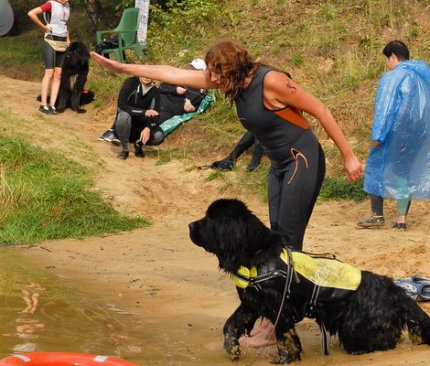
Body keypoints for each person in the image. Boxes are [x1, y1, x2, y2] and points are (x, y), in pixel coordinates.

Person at [91, 39, 361, 249]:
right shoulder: (229, 81)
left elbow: (321, 110)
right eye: (211, 72)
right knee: (276, 233)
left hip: (303, 158)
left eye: (217, 73)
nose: (213, 79)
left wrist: (348, 156)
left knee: (289, 236)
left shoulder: (271, 81)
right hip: (279, 164)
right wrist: (123, 68)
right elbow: (171, 73)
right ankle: (283, 296)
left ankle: (285, 304)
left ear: (233, 67)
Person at [357, 40, 430, 231]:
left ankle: (377, 215)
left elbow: (385, 108)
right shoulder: (422, 75)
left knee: (375, 168)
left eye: (387, 60)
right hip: (418, 135)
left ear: (393, 57)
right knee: (403, 173)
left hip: (394, 133)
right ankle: (401, 220)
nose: (387, 64)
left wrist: (377, 135)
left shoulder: (392, 77)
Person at [98, 59, 208, 143]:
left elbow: (197, 108)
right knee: (131, 111)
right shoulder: (178, 79)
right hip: (151, 105)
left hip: (165, 114)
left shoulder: (200, 91)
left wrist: (192, 108)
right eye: (190, 67)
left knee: (157, 136)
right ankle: (115, 131)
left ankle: (131, 137)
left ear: (201, 72)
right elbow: (162, 87)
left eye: (195, 70)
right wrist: (175, 90)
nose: (190, 71)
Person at [28, 0, 72, 114]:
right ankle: (43, 104)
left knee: (58, 74)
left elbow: (66, 23)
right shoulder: (50, 4)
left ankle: (52, 105)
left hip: (62, 42)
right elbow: (31, 13)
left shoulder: (68, 6)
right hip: (51, 40)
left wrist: (68, 38)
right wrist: (43, 27)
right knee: (49, 73)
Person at [113, 75, 165, 160]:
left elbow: (156, 114)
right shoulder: (130, 82)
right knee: (123, 116)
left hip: (142, 126)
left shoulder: (155, 90)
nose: (147, 77)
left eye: (150, 74)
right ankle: (125, 149)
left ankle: (139, 144)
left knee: (159, 136)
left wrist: (148, 128)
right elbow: (121, 105)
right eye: (144, 74)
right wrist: (143, 112)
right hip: (127, 123)